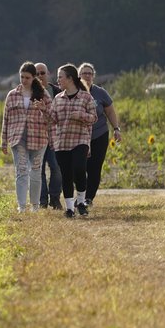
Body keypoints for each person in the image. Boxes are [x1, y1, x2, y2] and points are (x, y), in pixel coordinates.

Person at [37, 63, 97, 218]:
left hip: (80, 140)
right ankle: (70, 208)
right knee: (66, 175)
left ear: (70, 78)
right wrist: (44, 110)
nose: (57, 80)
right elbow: (53, 119)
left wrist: (81, 115)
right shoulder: (58, 98)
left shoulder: (86, 97)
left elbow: (93, 118)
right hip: (62, 142)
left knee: (79, 169)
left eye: (60, 77)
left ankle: (81, 202)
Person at [1, 61, 51, 213]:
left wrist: (43, 110)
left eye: (27, 78)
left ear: (34, 77)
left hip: (39, 137)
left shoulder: (43, 95)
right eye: (22, 77)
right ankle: (21, 206)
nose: (24, 80)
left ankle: (35, 206)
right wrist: (3, 141)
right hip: (18, 138)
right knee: (21, 170)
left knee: (36, 171)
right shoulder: (12, 95)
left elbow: (52, 118)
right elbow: (6, 119)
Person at [79, 62, 122, 206]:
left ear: (93, 76)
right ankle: (81, 194)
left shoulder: (100, 93)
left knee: (95, 167)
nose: (87, 76)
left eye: (89, 73)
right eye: (84, 73)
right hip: (79, 136)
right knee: (79, 167)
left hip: (99, 134)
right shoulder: (74, 92)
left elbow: (110, 111)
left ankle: (89, 198)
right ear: (78, 76)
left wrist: (116, 129)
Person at [34, 63, 62, 210]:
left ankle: (55, 198)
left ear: (48, 74)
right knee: (39, 170)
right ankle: (42, 200)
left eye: (42, 73)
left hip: (55, 137)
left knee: (57, 167)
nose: (39, 76)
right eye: (36, 73)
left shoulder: (58, 92)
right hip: (37, 137)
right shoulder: (30, 93)